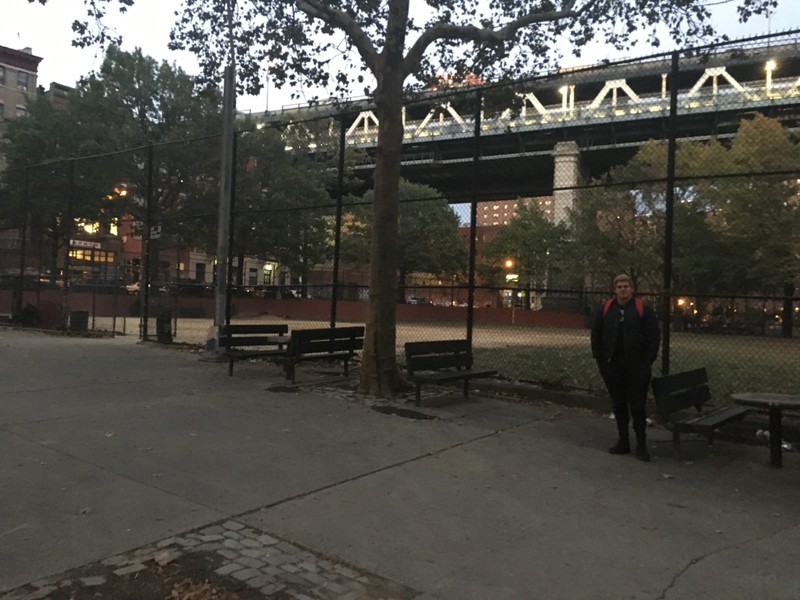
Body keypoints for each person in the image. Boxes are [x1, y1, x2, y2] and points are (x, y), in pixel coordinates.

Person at [591, 274, 661, 461]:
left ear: (631, 289)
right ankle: (623, 442)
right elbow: (596, 335)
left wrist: (647, 361)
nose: (622, 289)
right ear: (615, 289)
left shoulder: (642, 309)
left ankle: (641, 445)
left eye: (626, 286)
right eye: (619, 286)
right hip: (613, 366)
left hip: (637, 367)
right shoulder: (606, 309)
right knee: (619, 405)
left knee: (638, 407)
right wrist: (601, 361)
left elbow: (653, 336)